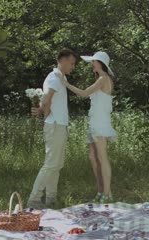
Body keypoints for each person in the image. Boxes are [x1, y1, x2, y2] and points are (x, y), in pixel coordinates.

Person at [55, 51, 117, 203]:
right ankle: (101, 190)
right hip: (94, 122)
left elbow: (84, 93)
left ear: (100, 63)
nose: (92, 64)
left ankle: (107, 194)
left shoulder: (103, 78)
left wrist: (65, 83)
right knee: (92, 157)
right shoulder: (100, 79)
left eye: (94, 62)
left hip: (101, 123)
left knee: (102, 158)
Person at [26, 49, 77, 209]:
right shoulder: (54, 77)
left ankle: (51, 199)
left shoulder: (61, 78)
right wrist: (40, 110)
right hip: (54, 126)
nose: (73, 67)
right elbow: (47, 98)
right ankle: (34, 200)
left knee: (57, 164)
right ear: (61, 61)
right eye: (71, 63)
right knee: (50, 164)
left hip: (59, 125)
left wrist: (43, 111)